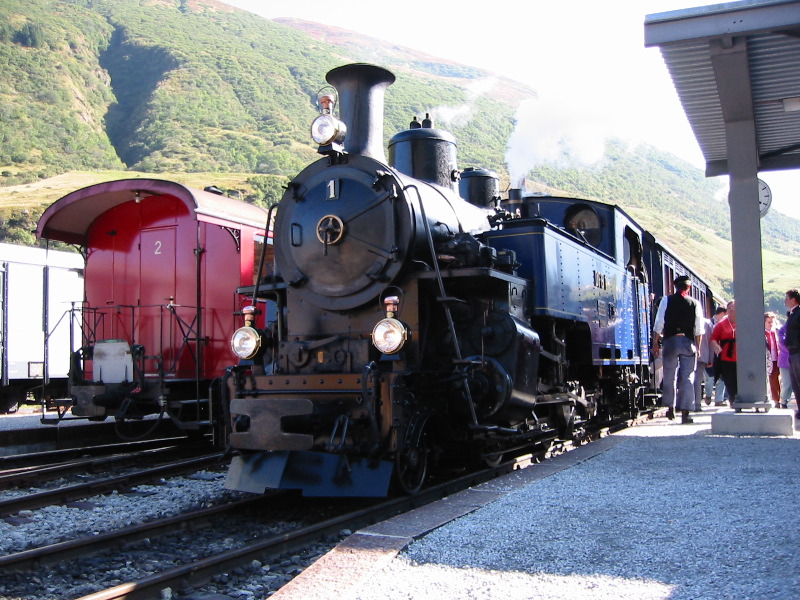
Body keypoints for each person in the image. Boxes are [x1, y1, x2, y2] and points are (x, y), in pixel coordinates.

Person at [652, 275, 705, 424]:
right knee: (688, 377)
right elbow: (699, 329)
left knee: (670, 375)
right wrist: (698, 348)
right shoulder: (695, 303)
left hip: (670, 342)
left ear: (675, 287)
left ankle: (670, 408)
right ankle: (685, 412)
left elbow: (659, 323)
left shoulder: (666, 300)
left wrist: (655, 343)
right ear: (689, 288)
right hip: (688, 343)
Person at [711, 300, 737, 404]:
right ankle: (733, 399)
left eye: (734, 308)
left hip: (741, 357)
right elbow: (713, 339)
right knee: (729, 380)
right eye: (729, 308)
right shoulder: (721, 324)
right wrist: (717, 347)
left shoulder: (744, 322)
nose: (731, 310)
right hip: (727, 357)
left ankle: (740, 399)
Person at [705, 306, 728, 406]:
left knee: (721, 378)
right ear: (723, 313)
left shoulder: (724, 325)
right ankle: (708, 395)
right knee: (710, 378)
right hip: (711, 354)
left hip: (721, 355)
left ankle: (719, 400)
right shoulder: (709, 323)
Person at [694, 310, 715, 411]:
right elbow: (711, 342)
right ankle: (696, 404)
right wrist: (711, 359)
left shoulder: (688, 320)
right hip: (703, 356)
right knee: (697, 380)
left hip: (688, 353)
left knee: (686, 379)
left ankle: (685, 403)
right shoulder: (707, 323)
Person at [784, 289, 800, 418]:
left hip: (797, 351)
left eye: (787, 298)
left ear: (793, 299)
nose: (785, 301)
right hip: (793, 352)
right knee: (795, 383)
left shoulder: (798, 313)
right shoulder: (792, 313)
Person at [765, 312, 781, 407]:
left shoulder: (776, 332)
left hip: (776, 359)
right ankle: (772, 399)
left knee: (776, 380)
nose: (771, 324)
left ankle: (777, 400)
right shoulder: (762, 333)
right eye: (768, 322)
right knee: (769, 380)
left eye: (772, 322)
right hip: (767, 359)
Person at [777, 320, 793, 409]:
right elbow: (781, 339)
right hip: (785, 361)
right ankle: (783, 401)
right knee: (787, 383)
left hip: (795, 359)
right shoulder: (784, 328)